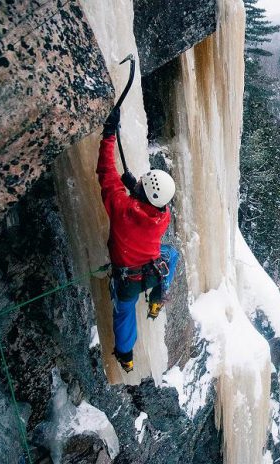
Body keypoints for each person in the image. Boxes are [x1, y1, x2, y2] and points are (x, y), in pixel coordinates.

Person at [97, 107, 177, 373]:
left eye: (143, 182)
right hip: (152, 272)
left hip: (128, 280)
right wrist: (136, 188)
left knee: (124, 313)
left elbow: (106, 173)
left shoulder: (122, 209)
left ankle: (125, 354)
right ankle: (157, 297)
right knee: (172, 255)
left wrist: (109, 135)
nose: (140, 181)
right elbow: (148, 204)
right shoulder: (162, 215)